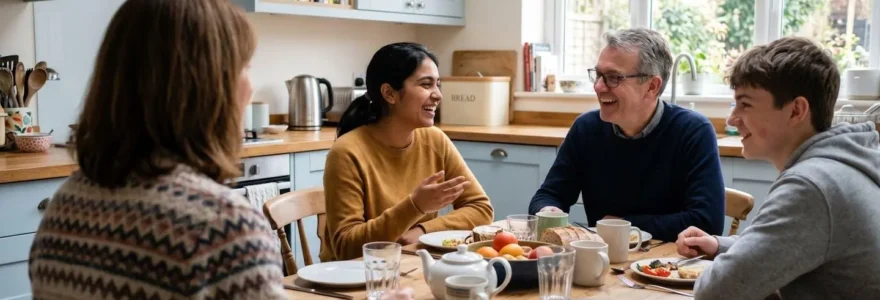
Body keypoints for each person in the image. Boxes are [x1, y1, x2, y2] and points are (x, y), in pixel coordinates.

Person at [27, 0, 286, 299]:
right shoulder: (226, 231)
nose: (250, 86)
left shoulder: (63, 209)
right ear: (209, 88)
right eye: (245, 68)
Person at [676, 37, 880, 299]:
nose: (731, 118)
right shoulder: (843, 167)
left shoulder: (811, 186)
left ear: (796, 111)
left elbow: (716, 292)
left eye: (745, 104)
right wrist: (719, 245)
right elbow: (791, 245)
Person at [528, 28, 725, 241]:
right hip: (605, 263)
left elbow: (708, 222)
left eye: (613, 77)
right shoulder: (586, 128)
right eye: (598, 75)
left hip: (669, 268)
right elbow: (549, 195)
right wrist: (549, 211)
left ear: (652, 86)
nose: (598, 86)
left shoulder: (693, 131)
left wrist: (624, 225)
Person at [320, 42, 494, 261]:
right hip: (355, 280)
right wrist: (415, 206)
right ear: (389, 93)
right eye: (426, 84)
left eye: (437, 84)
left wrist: (423, 230)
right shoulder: (346, 153)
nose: (438, 95)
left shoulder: (435, 141)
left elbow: (480, 208)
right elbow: (347, 248)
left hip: (410, 266)